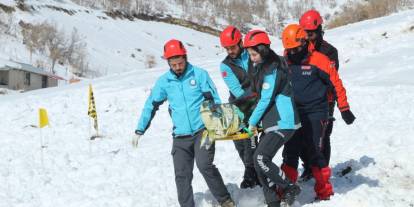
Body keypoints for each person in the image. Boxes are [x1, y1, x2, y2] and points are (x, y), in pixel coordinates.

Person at [133, 39, 235, 207]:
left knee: (204, 165)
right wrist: (140, 129)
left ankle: (225, 200)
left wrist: (217, 123)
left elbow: (214, 99)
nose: (178, 67)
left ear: (186, 58)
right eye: (173, 65)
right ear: (168, 63)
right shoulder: (164, 82)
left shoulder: (199, 74)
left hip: (203, 130)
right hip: (180, 135)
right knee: (181, 174)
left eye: (180, 63)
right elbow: (151, 104)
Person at [280, 24, 355, 200]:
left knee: (315, 151)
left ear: (305, 43)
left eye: (296, 49)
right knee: (290, 151)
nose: (293, 53)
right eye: (289, 50)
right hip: (294, 112)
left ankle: (324, 191)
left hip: (316, 112)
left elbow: (336, 84)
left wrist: (344, 108)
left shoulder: (320, 60)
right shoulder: (287, 60)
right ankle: (285, 190)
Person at [243, 29, 301, 207]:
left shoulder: (273, 69)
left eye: (254, 54)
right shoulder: (261, 67)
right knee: (257, 159)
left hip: (284, 122)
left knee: (261, 157)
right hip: (272, 123)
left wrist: (252, 123)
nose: (251, 58)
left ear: (264, 50)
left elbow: (266, 98)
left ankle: (289, 186)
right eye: (250, 54)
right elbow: (255, 95)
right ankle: (272, 201)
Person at [298, 9, 341, 181]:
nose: (308, 37)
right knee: (301, 135)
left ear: (318, 30)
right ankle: (309, 165)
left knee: (323, 137)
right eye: (305, 33)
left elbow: (330, 79)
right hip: (303, 100)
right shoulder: (300, 49)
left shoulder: (329, 51)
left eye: (311, 33)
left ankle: (321, 172)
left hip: (325, 101)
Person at [219, 25, 259, 189]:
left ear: (240, 42)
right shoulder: (225, 65)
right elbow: (237, 91)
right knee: (239, 144)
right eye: (227, 48)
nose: (230, 51)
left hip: (258, 103)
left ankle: (251, 173)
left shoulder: (253, 53)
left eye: (232, 47)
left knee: (249, 138)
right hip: (239, 104)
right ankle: (253, 171)